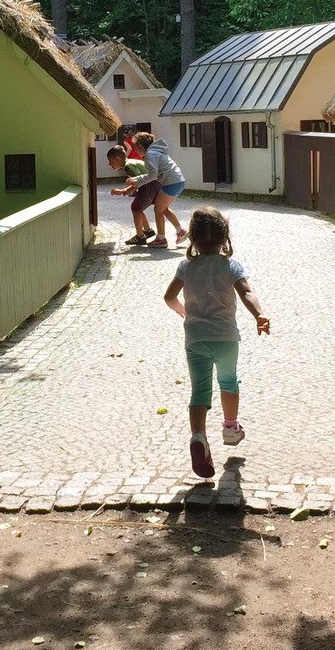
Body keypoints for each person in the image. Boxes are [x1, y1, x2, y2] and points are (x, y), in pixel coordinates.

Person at [163, 206, 270, 479]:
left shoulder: (186, 266)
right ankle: (231, 428)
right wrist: (260, 315)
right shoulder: (231, 266)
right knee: (229, 381)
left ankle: (198, 436)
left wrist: (181, 310)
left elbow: (169, 297)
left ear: (193, 239)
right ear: (225, 238)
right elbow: (247, 292)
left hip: (195, 338)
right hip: (225, 337)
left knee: (199, 391)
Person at [128, 131, 187, 248]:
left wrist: (137, 181)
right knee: (163, 209)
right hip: (178, 181)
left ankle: (161, 239)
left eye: (135, 148)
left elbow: (152, 175)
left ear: (140, 147)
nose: (135, 151)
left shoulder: (150, 154)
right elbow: (153, 173)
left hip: (171, 182)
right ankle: (180, 231)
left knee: (158, 210)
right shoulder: (156, 151)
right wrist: (137, 178)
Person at [106, 146, 157, 245]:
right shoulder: (130, 162)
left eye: (110, 160)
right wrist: (126, 191)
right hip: (152, 184)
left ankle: (140, 236)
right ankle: (147, 230)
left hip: (149, 185)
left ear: (117, 159)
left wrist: (124, 191)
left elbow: (138, 181)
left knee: (135, 207)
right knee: (138, 207)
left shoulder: (128, 166)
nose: (109, 164)